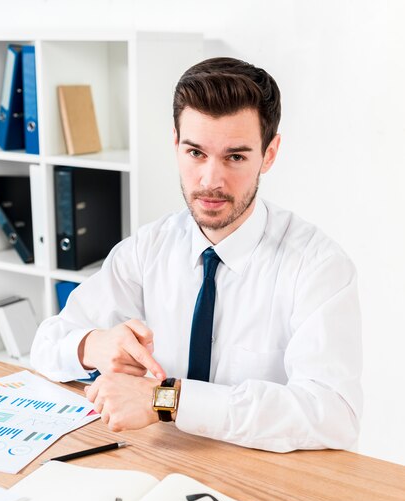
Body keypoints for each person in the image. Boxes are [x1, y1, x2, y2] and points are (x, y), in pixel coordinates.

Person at [30, 57, 362, 453]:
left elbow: (333, 414)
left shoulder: (318, 266)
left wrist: (166, 399)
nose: (210, 180)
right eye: (196, 153)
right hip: (156, 462)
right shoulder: (148, 248)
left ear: (269, 154)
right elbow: (46, 345)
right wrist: (91, 346)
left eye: (235, 157)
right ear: (176, 144)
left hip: (265, 477)